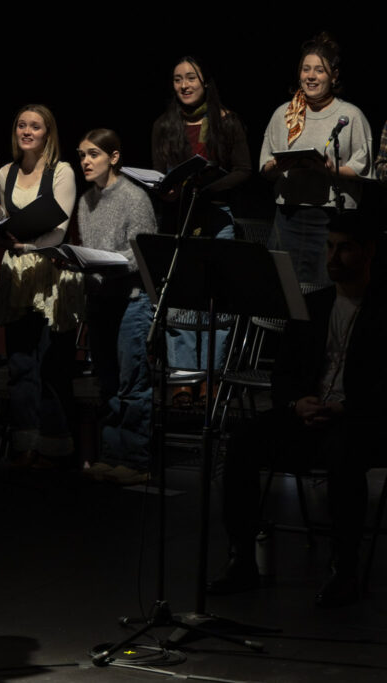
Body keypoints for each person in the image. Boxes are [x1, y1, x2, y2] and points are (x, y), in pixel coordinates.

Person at [210, 217, 384, 607]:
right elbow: (283, 372)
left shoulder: (381, 309)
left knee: (344, 454)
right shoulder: (314, 304)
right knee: (241, 443)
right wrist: (296, 402)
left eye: (345, 247)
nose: (333, 257)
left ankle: (345, 569)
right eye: (330, 246)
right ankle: (241, 559)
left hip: (361, 420)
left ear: (369, 251)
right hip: (308, 414)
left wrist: (345, 408)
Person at [0, 104, 79, 465]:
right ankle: (24, 441)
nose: (27, 131)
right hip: (17, 273)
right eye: (21, 125)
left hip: (49, 272)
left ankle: (54, 444)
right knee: (21, 362)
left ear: (47, 134)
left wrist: (24, 242)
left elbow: (60, 224)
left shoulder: (62, 171)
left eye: (35, 127)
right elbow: (9, 222)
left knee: (50, 364)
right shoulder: (5, 172)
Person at [152, 56, 251, 371]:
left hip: (217, 216)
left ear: (205, 82)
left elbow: (244, 169)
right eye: (178, 79)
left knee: (217, 303)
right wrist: (167, 191)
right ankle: (183, 374)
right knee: (182, 302)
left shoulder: (227, 121)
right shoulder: (164, 125)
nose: (184, 85)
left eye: (191, 78)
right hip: (180, 220)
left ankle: (211, 374)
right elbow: (159, 175)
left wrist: (207, 187)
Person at [73, 129, 158, 486]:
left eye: (93, 154)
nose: (86, 162)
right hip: (100, 302)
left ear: (114, 157)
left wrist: (104, 262)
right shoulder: (85, 201)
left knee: (132, 385)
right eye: (81, 155)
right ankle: (110, 456)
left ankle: (136, 461)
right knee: (106, 385)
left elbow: (143, 254)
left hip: (131, 303)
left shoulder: (134, 197)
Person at [259, 32, 375, 287]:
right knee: (283, 292)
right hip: (288, 217)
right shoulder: (284, 114)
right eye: (305, 69)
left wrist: (331, 170)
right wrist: (277, 167)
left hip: (331, 221)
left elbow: (364, 170)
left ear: (333, 76)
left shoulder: (351, 115)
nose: (310, 76)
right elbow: (265, 168)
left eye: (319, 70)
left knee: (324, 294)